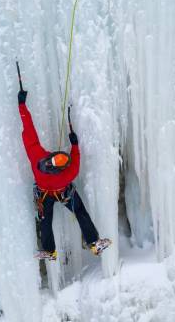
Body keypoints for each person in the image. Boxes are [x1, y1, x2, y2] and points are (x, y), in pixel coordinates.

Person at [18, 89, 111, 260]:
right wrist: (74, 145)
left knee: (45, 221)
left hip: (44, 195)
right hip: (64, 193)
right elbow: (75, 163)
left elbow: (28, 129)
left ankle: (49, 250)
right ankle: (93, 243)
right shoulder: (68, 174)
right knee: (81, 212)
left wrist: (22, 105)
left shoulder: (36, 156)